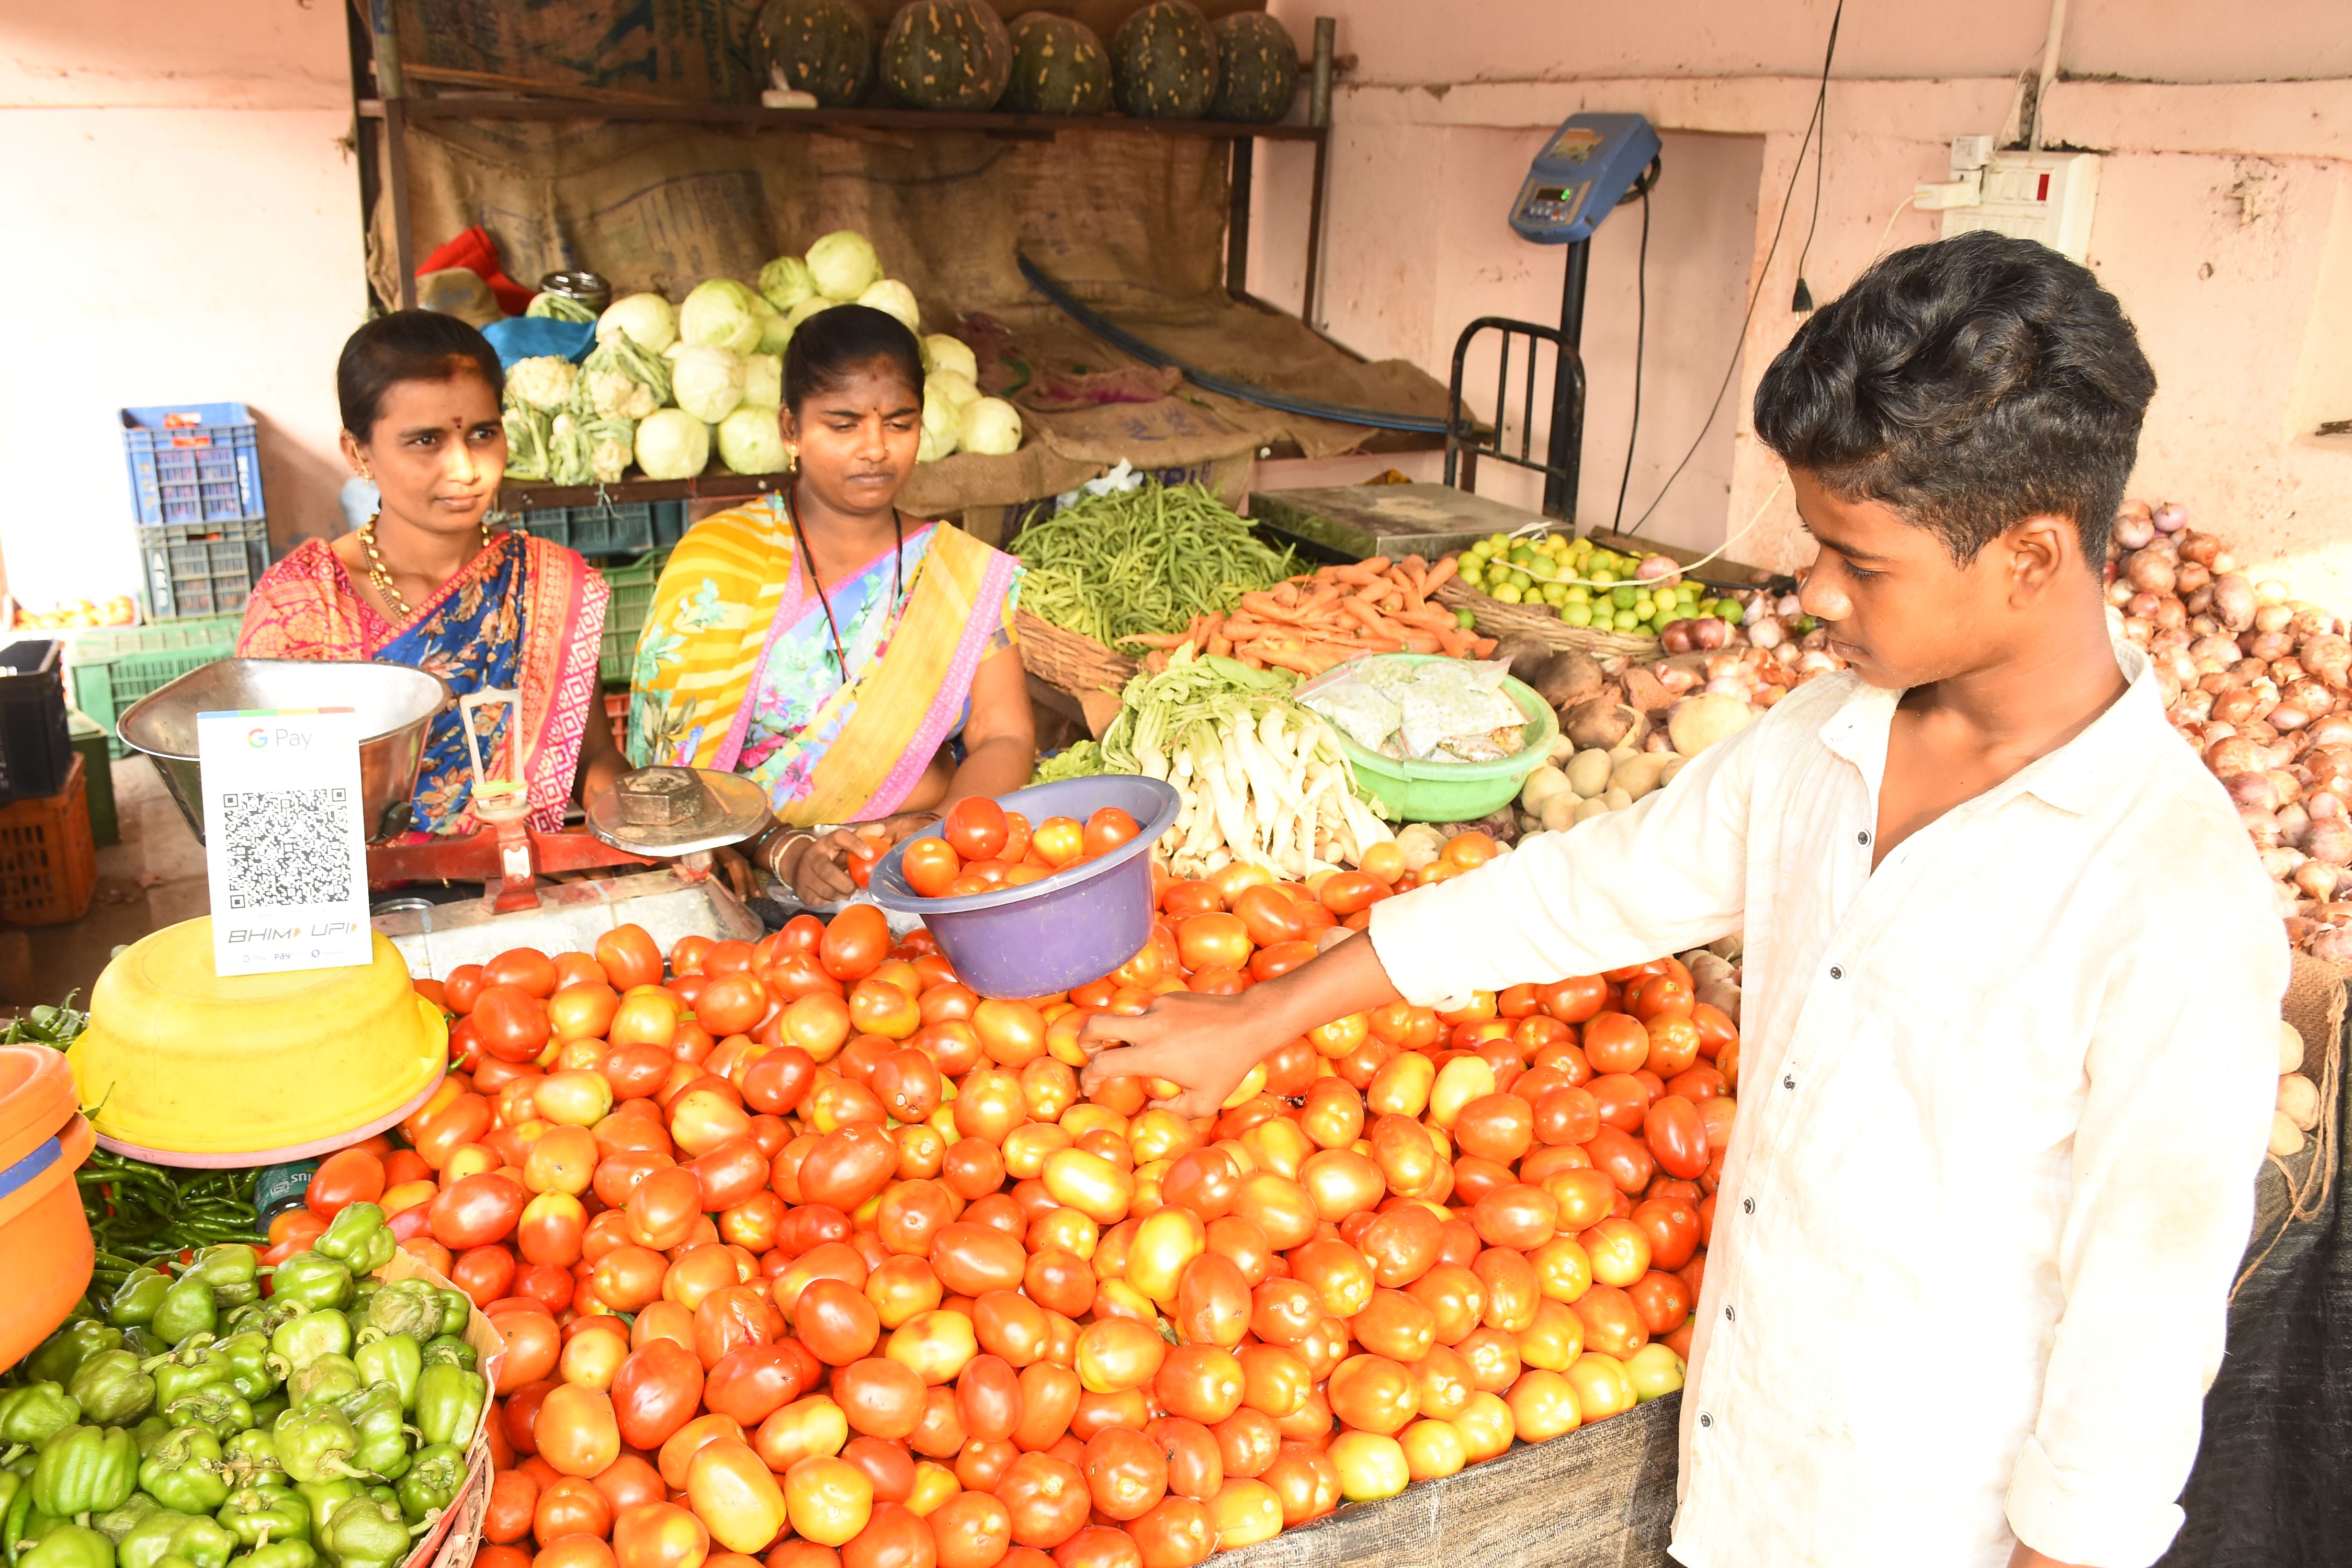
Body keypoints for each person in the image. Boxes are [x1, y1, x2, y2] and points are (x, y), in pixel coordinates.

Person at [1080, 231, 2288, 1568]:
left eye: (1858, 559)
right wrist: (1268, 1014)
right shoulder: (1831, 735)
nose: (1812, 590)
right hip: (1743, 1481)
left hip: (1925, 1523)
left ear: (2031, 554)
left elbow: (2144, 1326)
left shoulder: (2169, 894)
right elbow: (1589, 890)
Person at [627, 304, 1033, 903]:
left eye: (899, 423)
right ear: (790, 428)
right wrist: (780, 849)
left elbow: (1003, 735)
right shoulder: (719, 562)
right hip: (755, 884)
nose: (875, 449)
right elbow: (669, 770)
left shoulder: (956, 571)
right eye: (842, 425)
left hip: (926, 875)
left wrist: (937, 831)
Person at [240, 311, 626, 837]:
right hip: (361, 910)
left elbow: (592, 760)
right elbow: (275, 820)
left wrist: (657, 827)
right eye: (425, 441)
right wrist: (471, 865)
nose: (464, 469)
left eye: (483, 433)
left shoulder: (546, 580)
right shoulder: (303, 604)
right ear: (358, 452)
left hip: (521, 890)